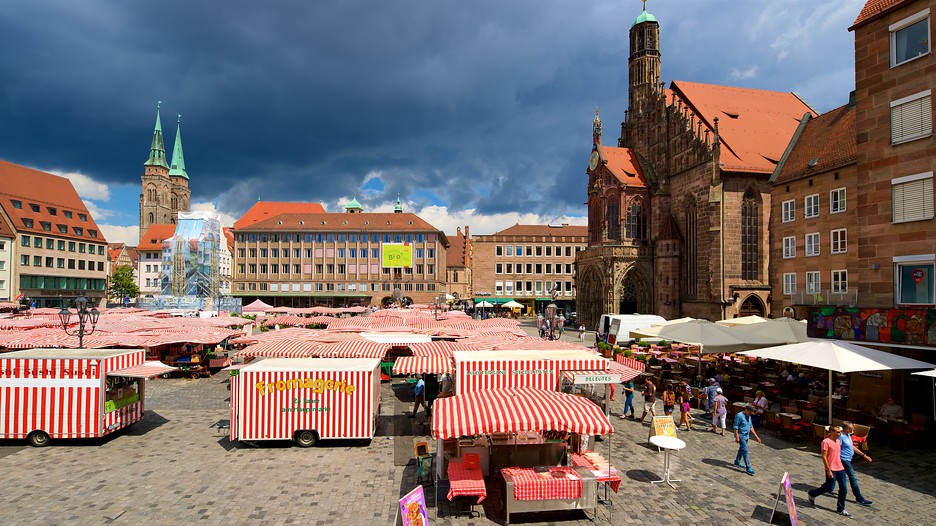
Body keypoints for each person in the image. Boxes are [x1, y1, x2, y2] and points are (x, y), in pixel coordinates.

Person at [807, 425, 851, 517]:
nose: (839, 434)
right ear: (831, 432)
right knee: (829, 487)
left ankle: (841, 508)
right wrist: (828, 470)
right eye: (837, 432)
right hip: (831, 468)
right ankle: (812, 493)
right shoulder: (826, 442)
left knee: (844, 489)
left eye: (840, 432)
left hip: (840, 468)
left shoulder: (838, 442)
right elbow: (824, 456)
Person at [839, 421, 874, 506]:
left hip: (847, 459)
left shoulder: (848, 436)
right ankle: (859, 498)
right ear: (847, 429)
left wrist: (863, 455)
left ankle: (827, 487)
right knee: (852, 477)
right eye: (852, 429)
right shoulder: (840, 437)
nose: (854, 430)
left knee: (836, 478)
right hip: (844, 460)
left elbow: (852, 446)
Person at [733, 404, 761, 476]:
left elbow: (751, 426)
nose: (750, 414)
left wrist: (756, 437)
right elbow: (736, 427)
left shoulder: (749, 416)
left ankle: (737, 461)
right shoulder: (739, 416)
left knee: (741, 449)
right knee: (745, 451)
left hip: (746, 436)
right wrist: (737, 437)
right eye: (750, 412)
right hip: (741, 435)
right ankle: (748, 467)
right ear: (746, 410)